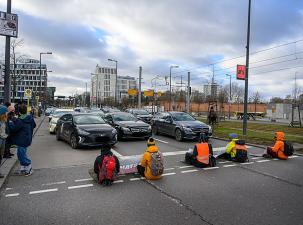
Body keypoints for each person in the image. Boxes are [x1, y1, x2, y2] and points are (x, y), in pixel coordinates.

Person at [8, 104, 36, 176]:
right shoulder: (30, 117)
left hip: (22, 140)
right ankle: (23, 168)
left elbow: (14, 129)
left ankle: (29, 167)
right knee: (21, 153)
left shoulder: (20, 120)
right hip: (27, 139)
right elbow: (34, 125)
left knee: (21, 154)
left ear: (19, 112)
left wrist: (11, 123)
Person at [0, 106, 8, 178]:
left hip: (3, 139)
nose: (6, 114)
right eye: (5, 113)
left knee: (1, 156)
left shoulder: (4, 121)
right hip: (1, 140)